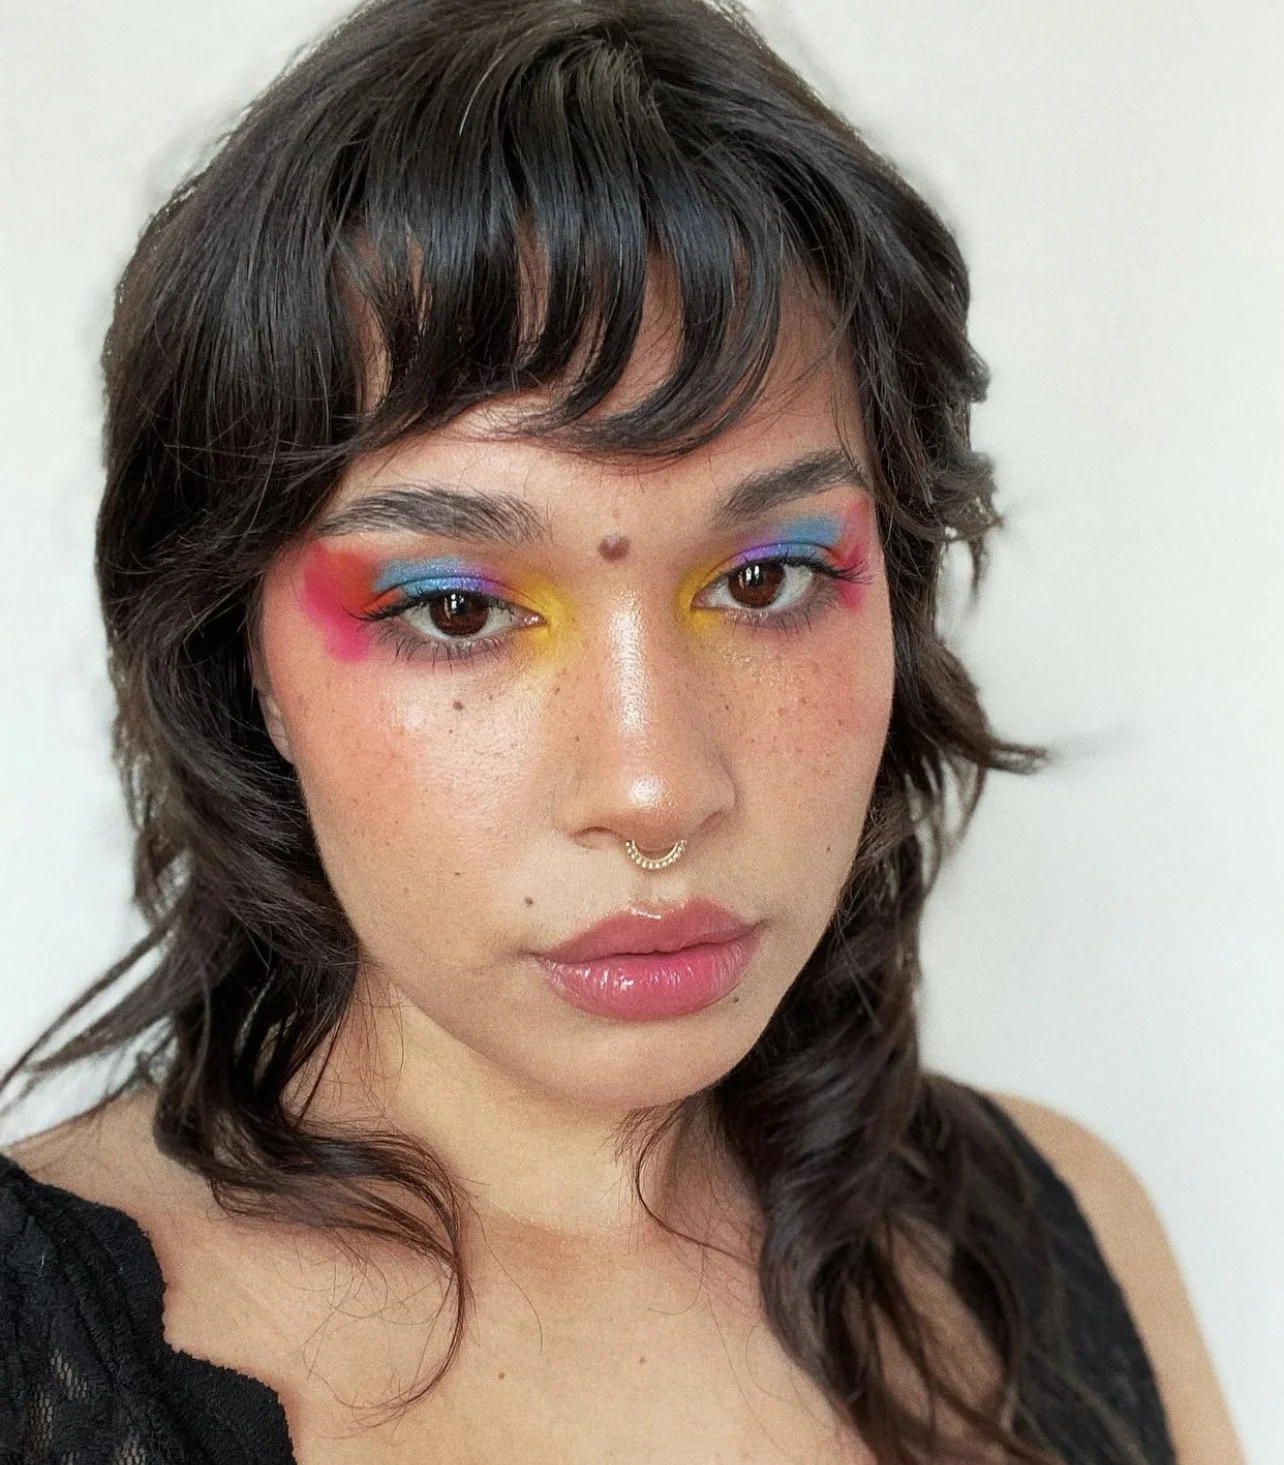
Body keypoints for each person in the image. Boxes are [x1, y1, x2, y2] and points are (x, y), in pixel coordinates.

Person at [0, 1, 1243, 1461]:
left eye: (767, 580)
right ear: (241, 657)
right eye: (456, 608)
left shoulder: (1058, 1237)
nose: (655, 790)